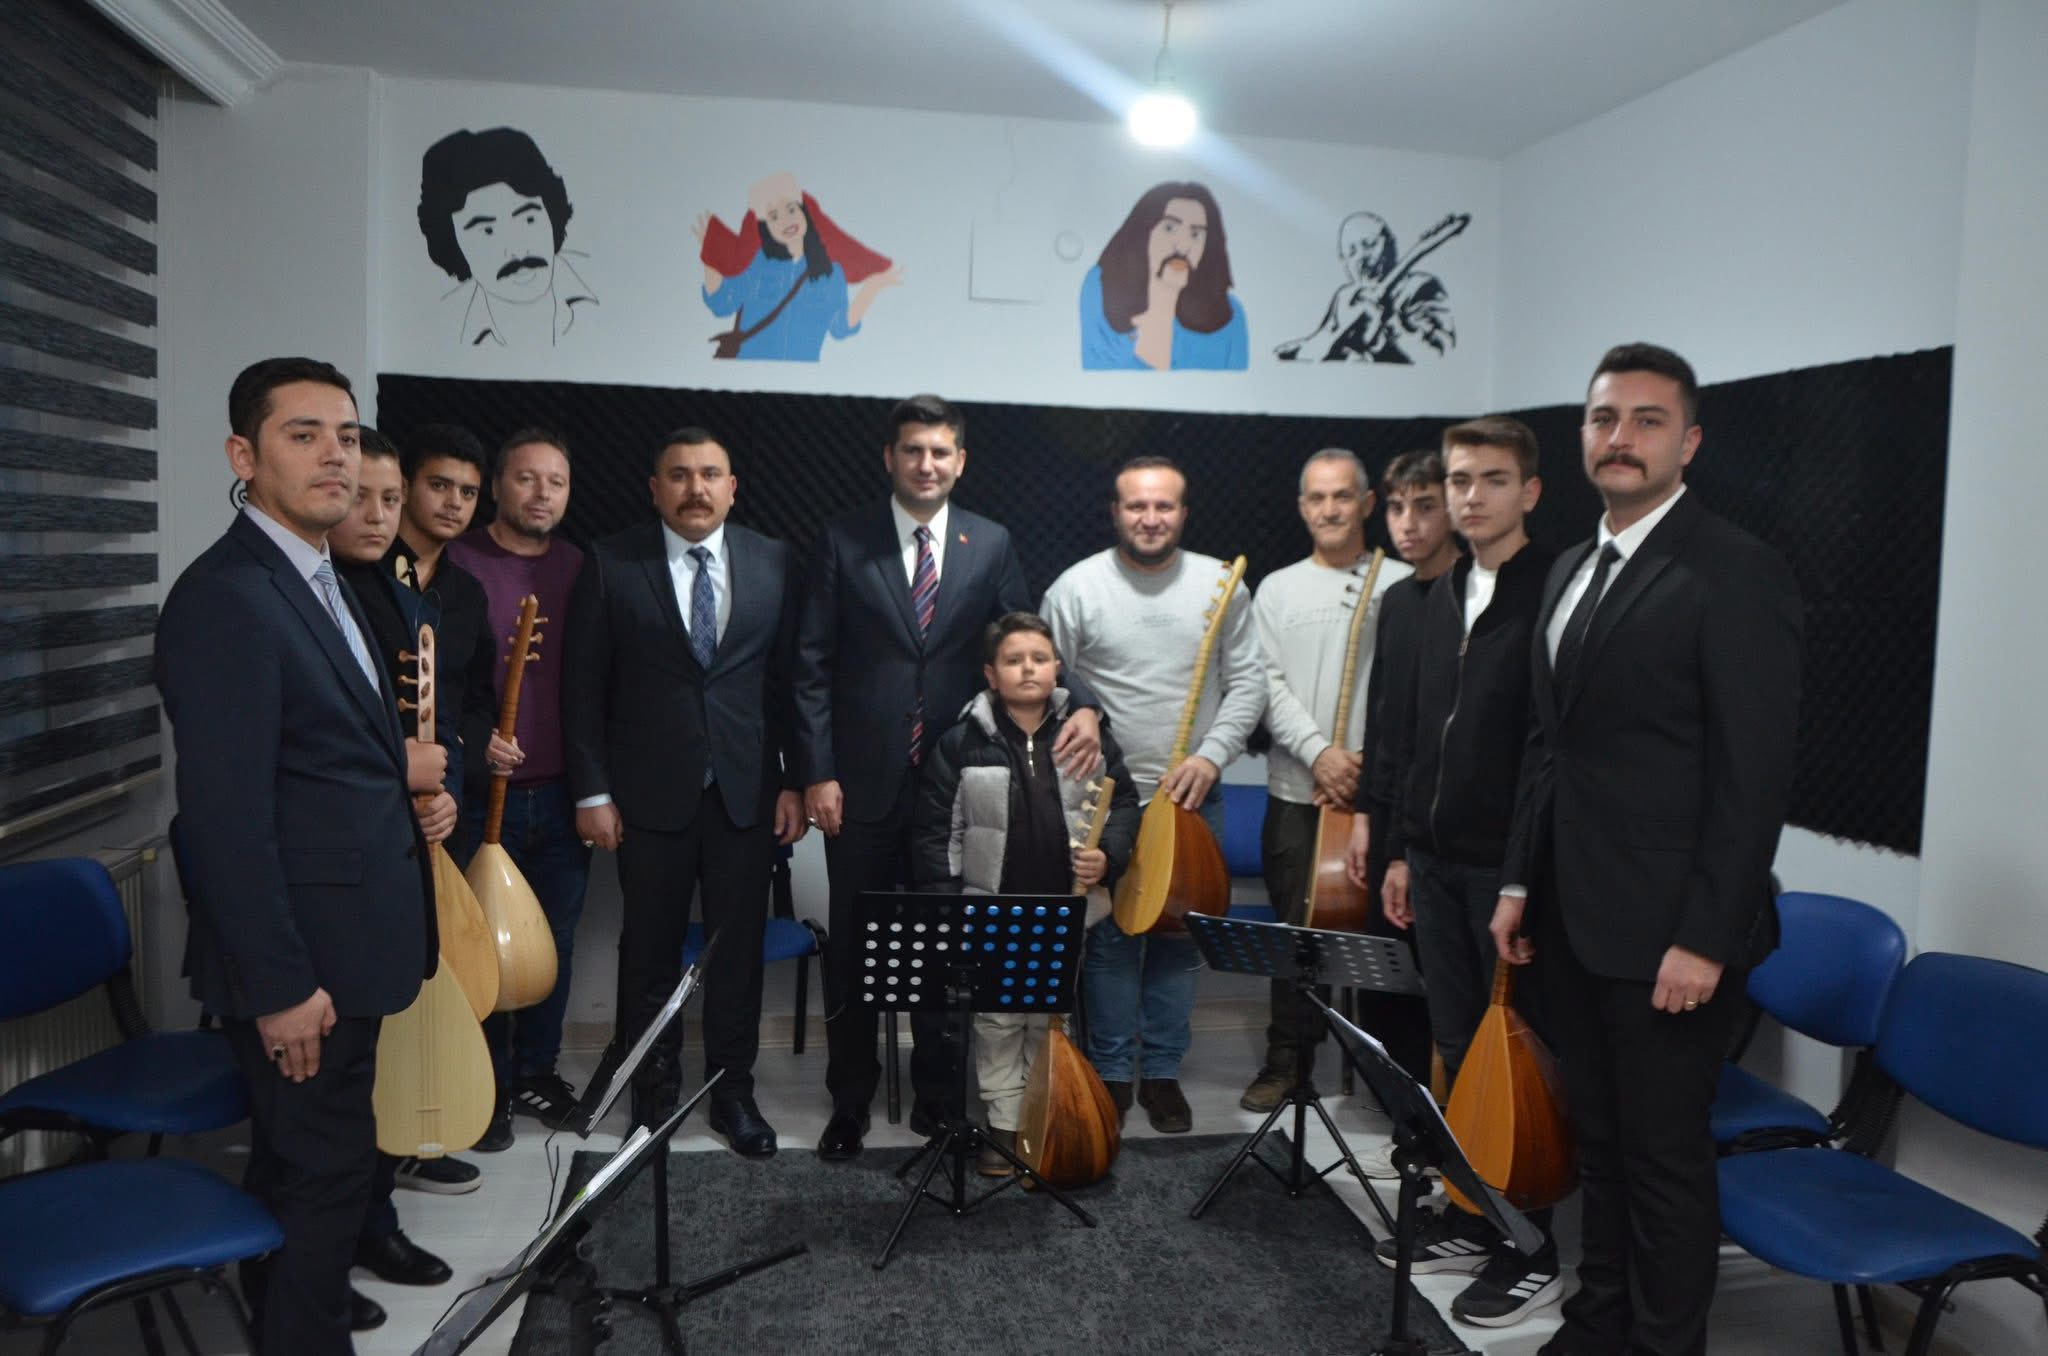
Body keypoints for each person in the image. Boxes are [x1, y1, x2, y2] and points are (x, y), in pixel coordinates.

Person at [1493, 344, 1802, 1356]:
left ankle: (1666, 1344)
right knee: (1602, 1146)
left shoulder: (1734, 571)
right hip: (1573, 916)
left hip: (1673, 935)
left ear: (1690, 442)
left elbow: (1752, 779)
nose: (1619, 438)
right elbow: (1548, 747)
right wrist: (1518, 879)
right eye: (1602, 418)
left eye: (1646, 420)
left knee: (1663, 1161)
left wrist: (1705, 938)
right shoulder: (1569, 569)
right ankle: (1598, 1323)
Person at [158, 358, 444, 1352]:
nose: (336, 455)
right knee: (324, 1179)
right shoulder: (229, 597)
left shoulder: (322, 579)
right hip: (300, 965)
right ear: (243, 456)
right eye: (304, 434)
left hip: (347, 943)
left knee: (311, 1173)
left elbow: (330, 762)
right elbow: (224, 819)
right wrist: (279, 986)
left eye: (348, 436)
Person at [794, 394, 1103, 1161]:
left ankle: (938, 1097)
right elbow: (810, 665)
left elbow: (1021, 637)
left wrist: (1084, 704)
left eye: (940, 452)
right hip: (859, 786)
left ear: (960, 461)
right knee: (856, 945)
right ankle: (850, 1100)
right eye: (913, 450)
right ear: (890, 458)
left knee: (946, 943)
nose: (926, 464)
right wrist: (816, 773)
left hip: (958, 788)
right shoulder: (842, 539)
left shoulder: (989, 542)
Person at [1368, 416, 1564, 1328]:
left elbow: (1546, 750)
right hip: (1434, 862)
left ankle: (1532, 1244)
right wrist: (1401, 847)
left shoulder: (1553, 590)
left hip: (1504, 872)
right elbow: (1412, 738)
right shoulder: (1440, 594)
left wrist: (1521, 876)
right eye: (1459, 480)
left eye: (1492, 479)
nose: (1471, 496)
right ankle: (1476, 1212)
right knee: (1453, 1041)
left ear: (1529, 491)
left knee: (1515, 1062)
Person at [563, 428, 807, 1156]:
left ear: (732, 487)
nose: (695, 488)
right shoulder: (611, 562)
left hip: (746, 796)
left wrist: (793, 781)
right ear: (654, 488)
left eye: (709, 475)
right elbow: (582, 688)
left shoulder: (774, 560)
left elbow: (790, 682)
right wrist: (592, 792)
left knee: (737, 954)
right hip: (646, 797)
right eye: (678, 475)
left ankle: (732, 1094)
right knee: (648, 951)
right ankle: (654, 1093)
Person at [1042, 456, 1265, 1132]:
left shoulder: (1221, 586)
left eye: (1164, 505)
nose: (1150, 518)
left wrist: (1210, 757)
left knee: (1177, 940)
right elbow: (1047, 678)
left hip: (1192, 798)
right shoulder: (1076, 588)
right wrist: (1078, 707)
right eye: (1136, 506)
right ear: (1115, 513)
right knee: (1111, 939)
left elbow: (1248, 683)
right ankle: (1112, 1074)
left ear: (1183, 513)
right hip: (1105, 797)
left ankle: (1162, 1073)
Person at [325, 429, 472, 1307]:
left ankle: (373, 1221)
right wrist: (404, 773)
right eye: (362, 498)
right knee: (328, 1093)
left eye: (388, 500)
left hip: (399, 862)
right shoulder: (314, 596)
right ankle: (313, 1254)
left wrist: (443, 789)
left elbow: (435, 721)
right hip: (339, 874)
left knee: (376, 1065)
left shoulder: (404, 596)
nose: (377, 516)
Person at [911, 613, 1139, 1176]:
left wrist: (1108, 857)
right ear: (991, 674)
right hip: (990, 915)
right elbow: (937, 833)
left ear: (1058, 668)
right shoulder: (961, 743)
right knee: (997, 1025)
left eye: (1039, 658)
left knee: (1049, 1021)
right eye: (1013, 661)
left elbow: (1124, 805)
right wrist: (952, 911)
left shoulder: (1087, 736)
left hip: (1064, 913)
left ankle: (1046, 1120)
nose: (1028, 669)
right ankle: (1005, 1129)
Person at [1240, 449, 1410, 1113]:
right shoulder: (1277, 589)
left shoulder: (1405, 582)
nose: (1330, 509)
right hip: (1298, 791)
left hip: (1380, 794)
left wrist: (1365, 765)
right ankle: (1288, 1061)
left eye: (1342, 496)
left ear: (1367, 504)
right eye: (1317, 497)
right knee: (1296, 938)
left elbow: (1413, 692)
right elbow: (1265, 683)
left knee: (1386, 935)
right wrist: (1320, 755)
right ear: (1302, 506)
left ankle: (1387, 1069)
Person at [446, 429, 591, 1146]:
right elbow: (438, 682)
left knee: (549, 945)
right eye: (527, 478)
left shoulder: (579, 567)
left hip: (561, 793)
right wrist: (473, 743)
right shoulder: (456, 561)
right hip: (477, 797)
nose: (541, 494)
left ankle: (537, 1072)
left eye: (555, 482)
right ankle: (486, 1085)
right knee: (475, 950)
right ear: (497, 485)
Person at [1343, 448, 1463, 1115]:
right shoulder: (1395, 600)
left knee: (1440, 984)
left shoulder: (1471, 595)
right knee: (1384, 979)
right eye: (1396, 508)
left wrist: (1404, 849)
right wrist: (1366, 815)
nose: (1408, 523)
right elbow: (1385, 718)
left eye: (1424, 506)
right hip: (1390, 816)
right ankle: (1404, 1118)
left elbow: (1439, 737)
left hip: (1440, 827)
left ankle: (1448, 1122)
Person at [693, 171, 904, 361]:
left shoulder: (830, 272)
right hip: (751, 377)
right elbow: (721, 304)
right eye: (774, 216)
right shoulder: (756, 265)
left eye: (791, 209)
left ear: (805, 212)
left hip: (806, 383)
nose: (786, 220)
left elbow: (840, 328)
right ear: (766, 227)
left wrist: (872, 288)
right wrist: (711, 254)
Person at [417, 127, 597, 347]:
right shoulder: (438, 330)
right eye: (487, 231)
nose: (516, 250)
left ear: (551, 215)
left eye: (529, 219)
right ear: (452, 242)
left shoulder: (606, 283)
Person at [1081, 181, 1248, 370]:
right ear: (1143, 233)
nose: (1183, 246)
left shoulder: (1230, 315)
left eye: (1195, 235)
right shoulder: (1099, 288)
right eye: (1169, 228)